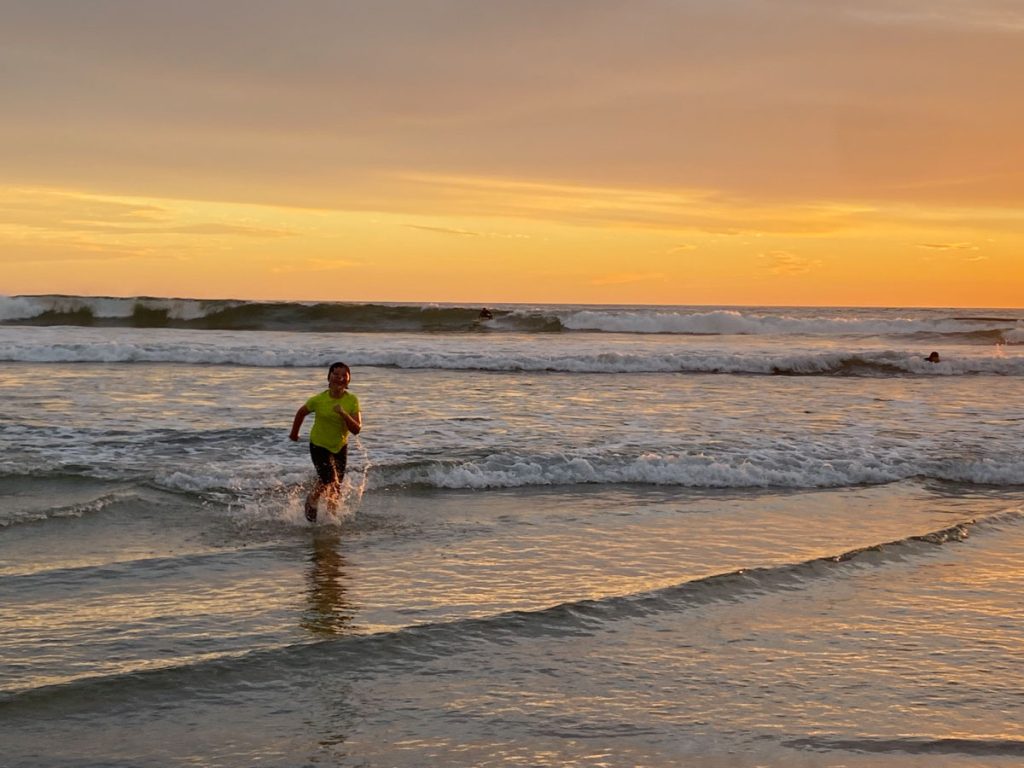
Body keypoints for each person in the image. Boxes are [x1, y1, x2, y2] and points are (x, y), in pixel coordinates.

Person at [290, 362, 362, 521]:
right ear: (329, 377)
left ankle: (331, 518)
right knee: (328, 479)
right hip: (319, 445)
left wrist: (344, 414)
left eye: (344, 375)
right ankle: (311, 501)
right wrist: (294, 434)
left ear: (349, 380)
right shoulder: (318, 400)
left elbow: (356, 429)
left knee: (336, 486)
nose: (340, 378)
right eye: (336, 374)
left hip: (340, 446)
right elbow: (301, 413)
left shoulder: (352, 400)